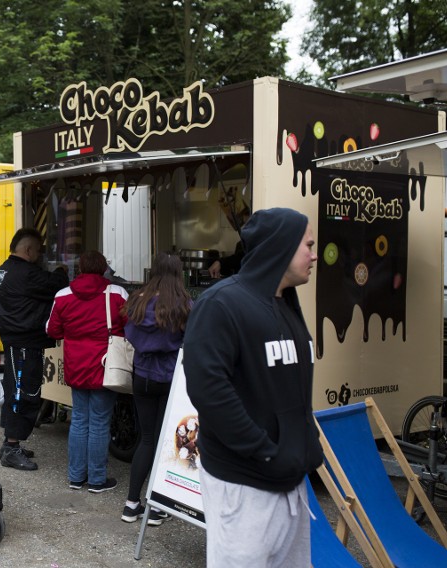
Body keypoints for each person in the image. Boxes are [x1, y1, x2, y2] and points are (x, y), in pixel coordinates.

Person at [184, 208, 322, 567]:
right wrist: (265, 452)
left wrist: (307, 445)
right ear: (281, 247)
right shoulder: (222, 303)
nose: (314, 254)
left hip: (290, 483)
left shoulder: (286, 303)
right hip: (244, 485)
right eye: (307, 245)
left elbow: (289, 389)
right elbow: (207, 389)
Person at [46, 250, 126, 492]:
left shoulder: (63, 295)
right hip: (106, 366)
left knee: (80, 420)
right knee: (100, 422)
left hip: (76, 365)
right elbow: (128, 326)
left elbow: (53, 330)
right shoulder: (116, 293)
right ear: (103, 269)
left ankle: (76, 477)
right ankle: (97, 480)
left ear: (79, 268)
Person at [120, 252, 191, 526]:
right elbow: (190, 340)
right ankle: (158, 506)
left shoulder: (137, 301)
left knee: (146, 439)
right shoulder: (184, 304)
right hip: (170, 378)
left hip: (142, 376)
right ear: (178, 273)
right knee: (165, 442)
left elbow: (128, 333)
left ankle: (131, 504)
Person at [0, 228, 69, 470]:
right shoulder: (26, 274)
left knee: (16, 389)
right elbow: (56, 283)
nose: (40, 255)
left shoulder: (2, 270)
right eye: (38, 250)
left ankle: (10, 443)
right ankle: (12, 448)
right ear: (28, 250)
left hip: (14, 339)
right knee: (23, 394)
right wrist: (62, 271)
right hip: (25, 343)